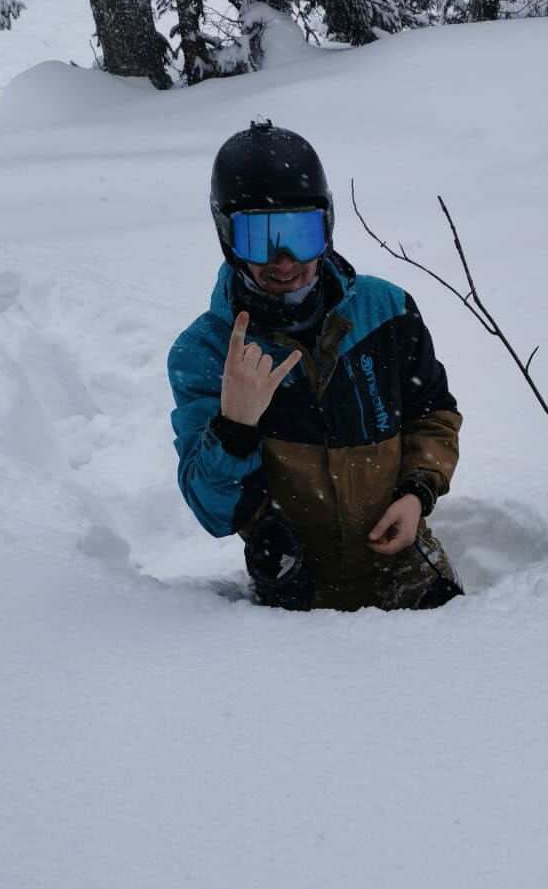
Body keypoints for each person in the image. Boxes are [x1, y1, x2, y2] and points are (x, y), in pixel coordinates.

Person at [168, 120, 463, 612]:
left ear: (325, 226)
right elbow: (212, 508)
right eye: (259, 237)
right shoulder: (205, 352)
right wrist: (234, 427)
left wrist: (416, 494)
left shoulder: (385, 311)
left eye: (299, 232)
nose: (283, 260)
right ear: (226, 236)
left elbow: (433, 417)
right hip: (292, 580)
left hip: (404, 558)